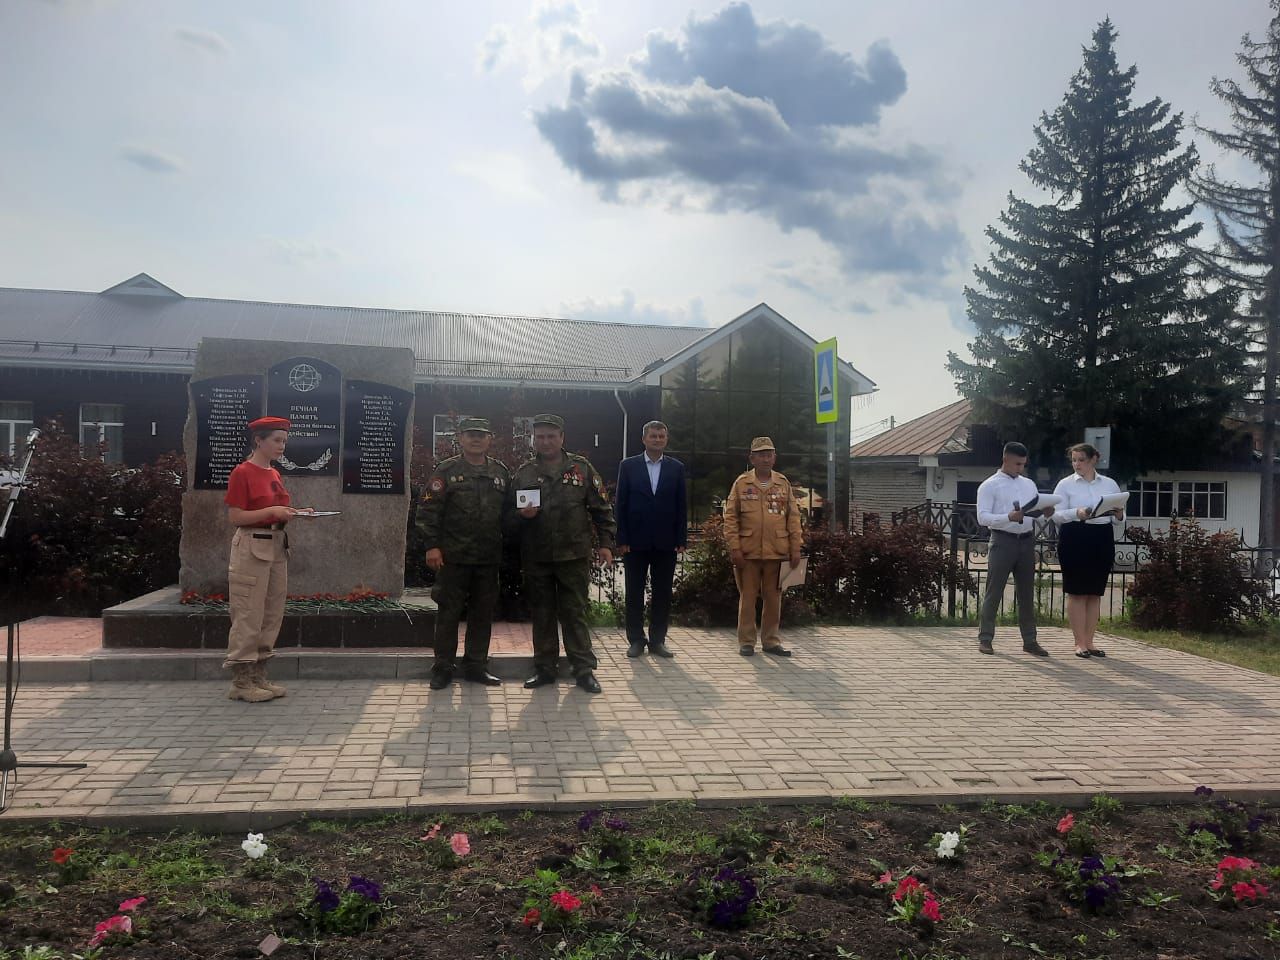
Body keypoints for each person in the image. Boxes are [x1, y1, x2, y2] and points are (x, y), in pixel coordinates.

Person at [506, 414, 616, 693]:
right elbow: (506, 518)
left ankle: (583, 669)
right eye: (540, 436)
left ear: (562, 438)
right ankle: (545, 669)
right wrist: (521, 516)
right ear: (534, 439)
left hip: (573, 556)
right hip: (537, 556)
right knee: (542, 614)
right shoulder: (524, 473)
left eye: (551, 436)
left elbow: (602, 510)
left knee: (574, 613)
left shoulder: (581, 469)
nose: (545, 441)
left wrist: (606, 543)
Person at [223, 416, 312, 702]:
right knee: (248, 613)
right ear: (258, 440)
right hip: (251, 546)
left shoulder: (273, 473)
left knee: (271, 614)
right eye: (276, 440)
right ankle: (241, 682)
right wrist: (273, 511)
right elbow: (236, 517)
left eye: (284, 441)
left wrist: (296, 512)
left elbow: (275, 509)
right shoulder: (242, 472)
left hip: (275, 546)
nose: (282, 446)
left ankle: (260, 675)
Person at [418, 417, 509, 689]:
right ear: (460, 438)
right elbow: (428, 511)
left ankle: (476, 666)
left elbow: (508, 514)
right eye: (471, 434)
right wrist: (432, 545)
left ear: (490, 439)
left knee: (482, 614)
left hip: (488, 558)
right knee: (448, 613)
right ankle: (443, 667)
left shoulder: (501, 473)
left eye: (481, 435)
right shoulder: (446, 471)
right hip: (453, 557)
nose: (476, 439)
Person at [722, 437, 803, 658]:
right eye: (761, 455)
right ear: (752, 458)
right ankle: (747, 642)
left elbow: (793, 518)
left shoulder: (783, 483)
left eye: (769, 454)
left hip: (777, 552)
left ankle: (771, 641)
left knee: (774, 598)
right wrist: (735, 548)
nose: (766, 459)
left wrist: (795, 548)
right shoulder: (741, 483)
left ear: (775, 457)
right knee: (747, 597)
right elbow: (730, 518)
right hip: (748, 552)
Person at [975, 441, 1055, 657]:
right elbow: (982, 517)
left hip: (1027, 540)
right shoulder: (989, 485)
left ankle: (1030, 640)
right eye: (1017, 464)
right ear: (1005, 460)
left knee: (1027, 592)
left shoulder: (1028, 484)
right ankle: (985, 638)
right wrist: (1007, 517)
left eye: (1023, 465)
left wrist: (1045, 510)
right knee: (994, 590)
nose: (1020, 468)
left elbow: (1032, 511)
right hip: (1003, 540)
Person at [615, 420, 687, 659]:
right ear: (644, 439)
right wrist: (622, 537)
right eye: (653, 436)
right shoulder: (628, 466)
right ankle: (636, 639)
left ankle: (658, 640)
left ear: (666, 439)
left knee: (663, 592)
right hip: (635, 541)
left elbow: (681, 505)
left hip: (666, 542)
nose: (657, 439)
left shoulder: (676, 468)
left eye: (661, 436)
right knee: (634, 592)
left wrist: (681, 538)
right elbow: (621, 504)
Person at [1052, 442, 1124, 658]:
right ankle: (1079, 643)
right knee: (1077, 591)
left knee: (1094, 592)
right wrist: (1077, 512)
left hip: (1101, 537)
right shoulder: (1065, 485)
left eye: (1081, 459)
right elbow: (1055, 514)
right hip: (1075, 536)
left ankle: (1091, 641)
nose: (1077, 464)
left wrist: (1119, 514)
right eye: (1074, 460)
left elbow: (1119, 518)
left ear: (1094, 459)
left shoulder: (1109, 483)